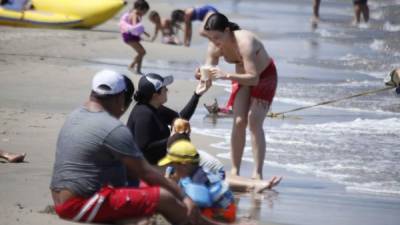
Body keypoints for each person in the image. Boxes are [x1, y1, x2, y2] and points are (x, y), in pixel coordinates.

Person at [49, 69, 235, 225]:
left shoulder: (75, 117)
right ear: (120, 98)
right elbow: (144, 170)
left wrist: (197, 94)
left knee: (147, 197)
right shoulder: (112, 127)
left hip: (61, 196)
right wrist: (182, 197)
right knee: (165, 197)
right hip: (80, 203)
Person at [200, 13, 278, 180]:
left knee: (254, 121)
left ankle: (257, 173)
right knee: (239, 121)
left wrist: (226, 76)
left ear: (227, 30)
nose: (214, 42)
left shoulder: (245, 42)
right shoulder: (214, 46)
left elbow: (254, 78)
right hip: (240, 78)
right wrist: (201, 77)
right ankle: (235, 170)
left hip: (263, 76)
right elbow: (208, 72)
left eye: (217, 37)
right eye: (210, 38)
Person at [167, 119, 282, 194]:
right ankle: (254, 183)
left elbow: (170, 178)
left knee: (221, 180)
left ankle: (252, 185)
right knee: (224, 177)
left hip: (211, 168)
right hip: (212, 166)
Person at [126, 73, 211, 165]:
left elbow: (180, 119)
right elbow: (145, 149)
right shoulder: (143, 115)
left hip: (161, 161)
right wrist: (172, 139)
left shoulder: (155, 107)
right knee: (208, 164)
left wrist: (197, 95)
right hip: (146, 169)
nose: (167, 90)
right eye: (164, 88)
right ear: (155, 95)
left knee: (207, 161)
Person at [159, 139, 237, 222]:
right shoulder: (196, 172)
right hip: (221, 207)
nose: (173, 169)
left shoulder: (198, 180)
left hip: (223, 214)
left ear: (184, 165)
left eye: (173, 165)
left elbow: (196, 205)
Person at [119, 0, 150, 75]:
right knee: (142, 52)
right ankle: (131, 66)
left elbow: (135, 26)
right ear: (139, 8)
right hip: (130, 37)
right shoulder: (135, 14)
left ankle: (138, 70)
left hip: (130, 36)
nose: (145, 14)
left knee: (141, 53)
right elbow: (135, 26)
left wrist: (144, 32)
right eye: (145, 11)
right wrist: (141, 31)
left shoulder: (132, 13)